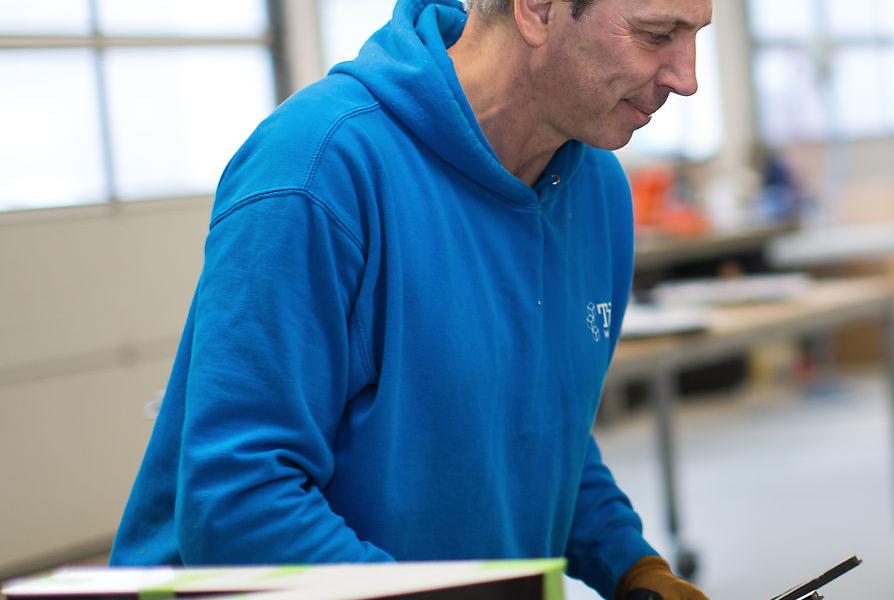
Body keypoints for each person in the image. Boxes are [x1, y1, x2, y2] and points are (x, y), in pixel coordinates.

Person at [107, 0, 710, 598]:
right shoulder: (316, 169)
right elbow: (238, 507)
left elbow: (538, 433)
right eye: (657, 34)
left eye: (695, 36)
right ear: (538, 9)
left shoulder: (595, 188)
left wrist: (632, 567)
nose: (687, 79)